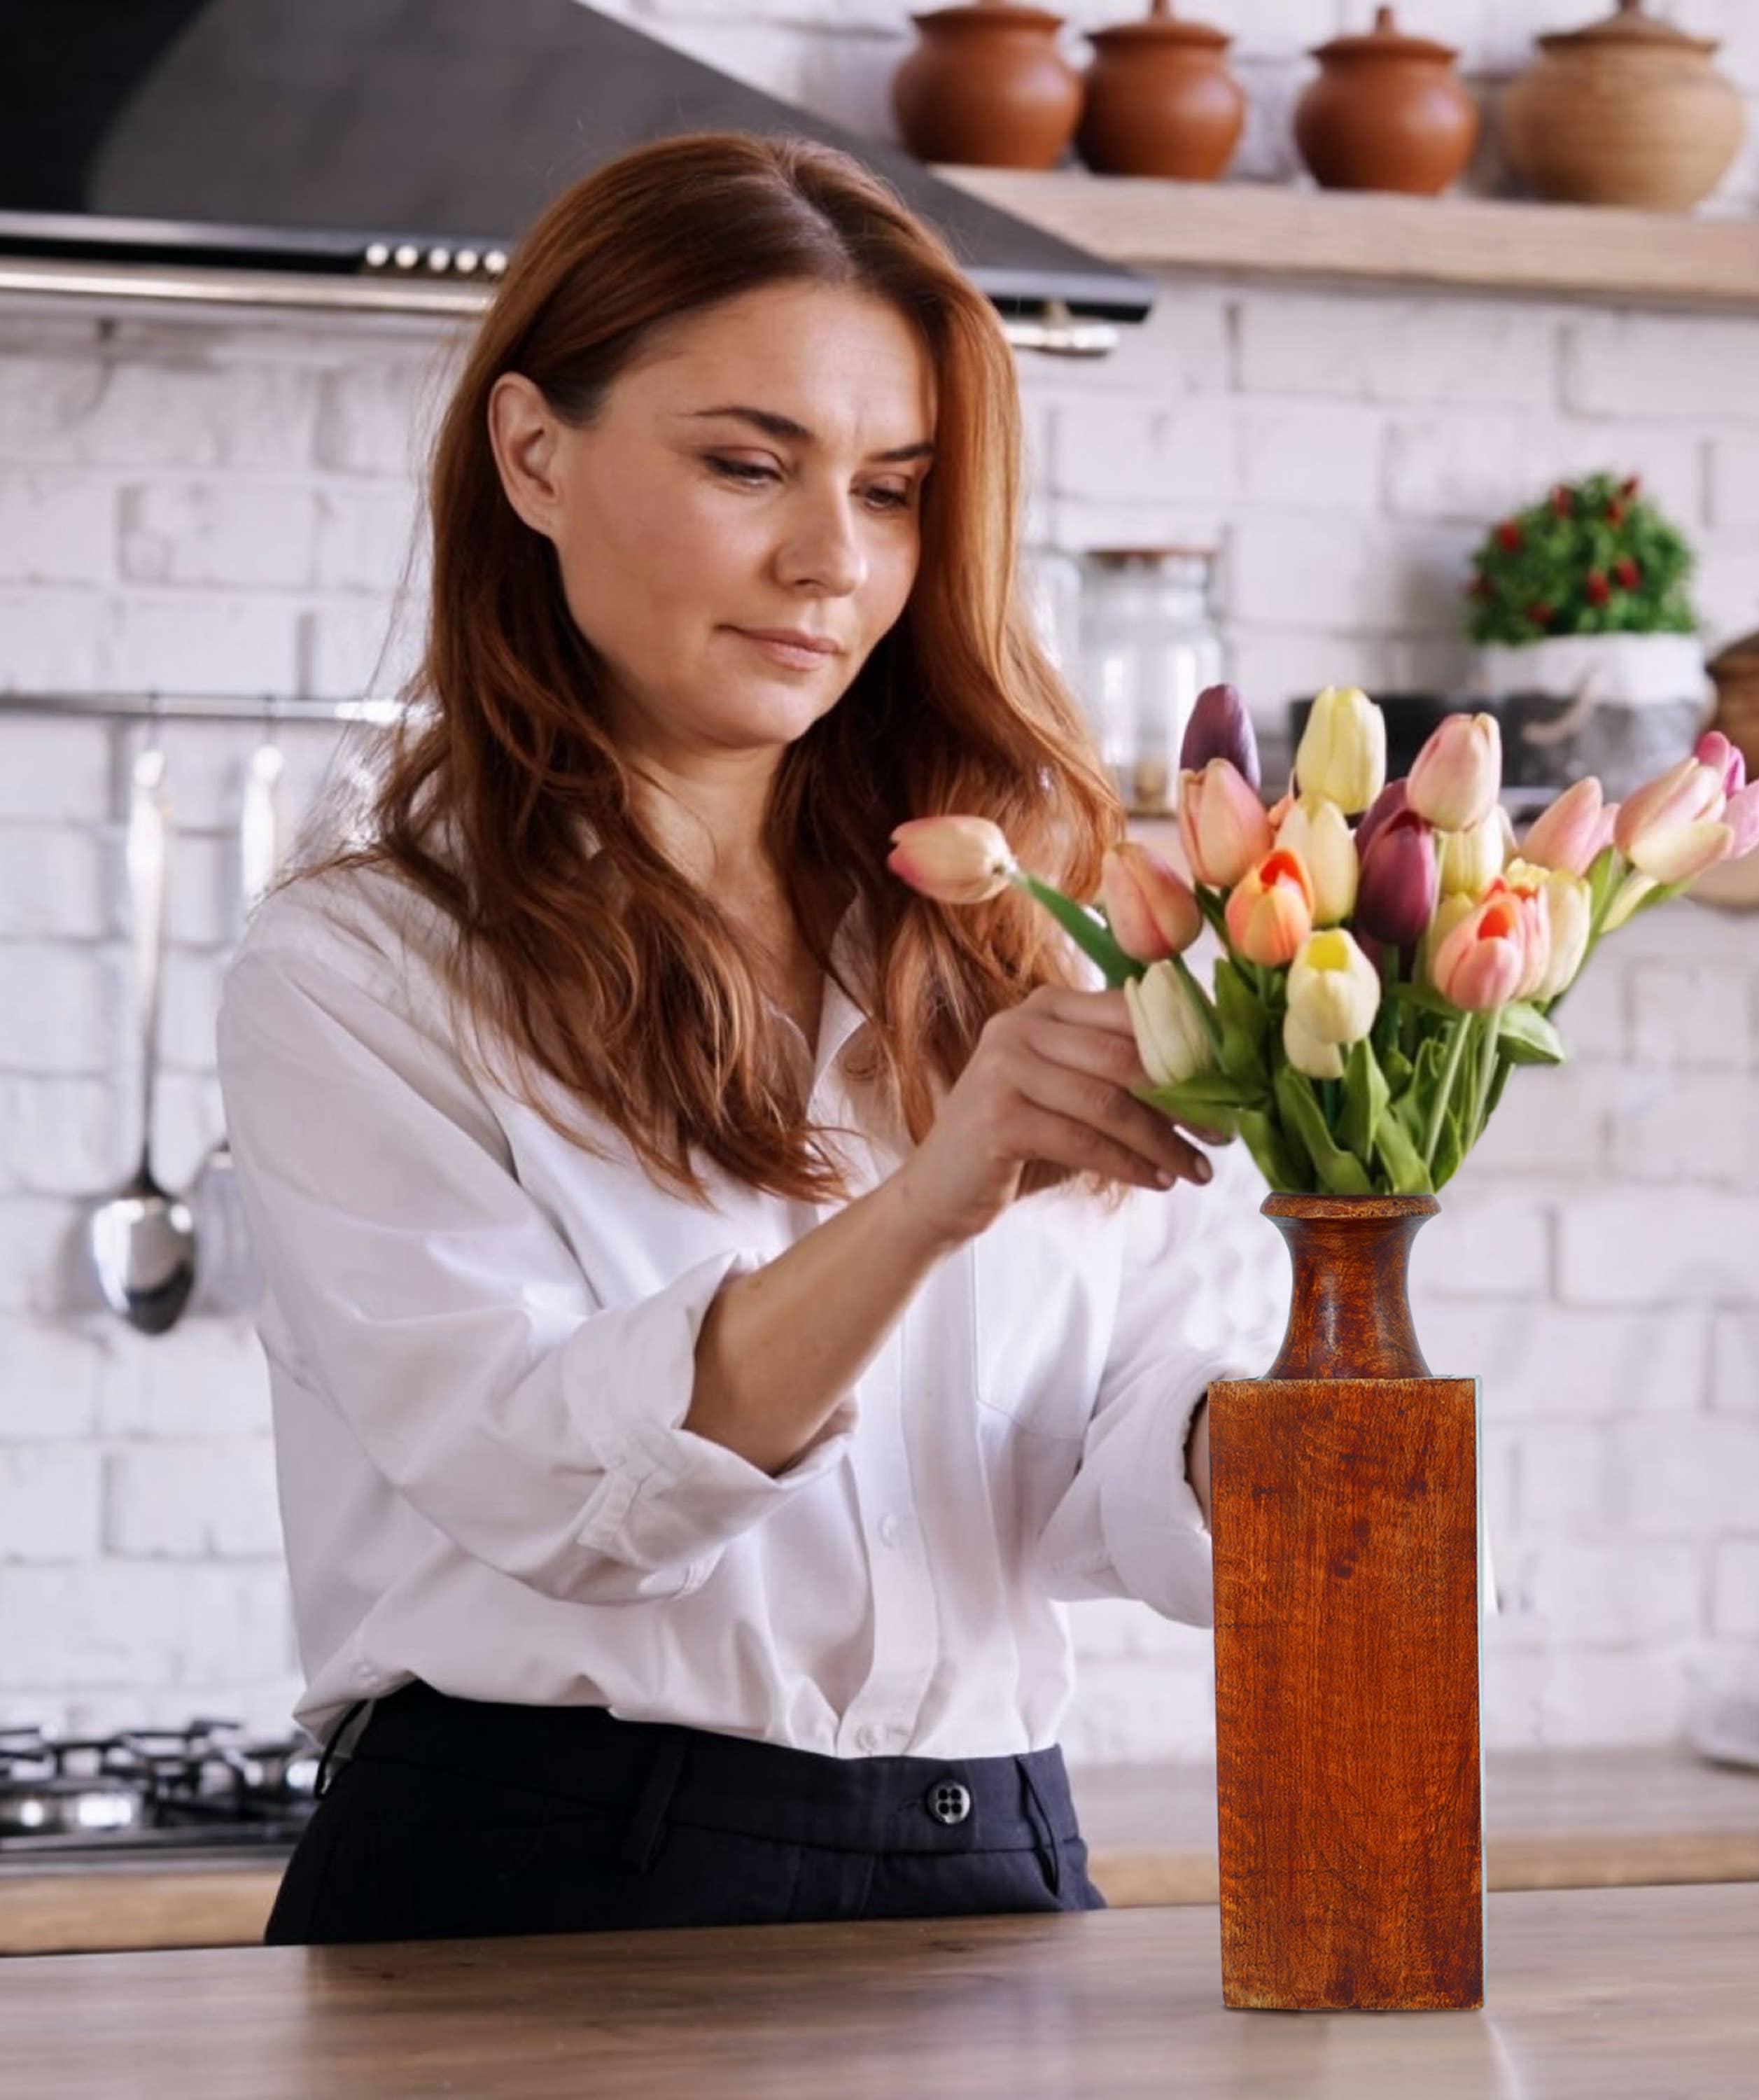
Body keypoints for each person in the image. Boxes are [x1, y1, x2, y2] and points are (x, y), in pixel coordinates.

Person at [219, 132, 1287, 1946]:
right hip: (545, 1885)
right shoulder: (364, 969)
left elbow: (1124, 1444)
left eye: (893, 490)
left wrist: (1290, 1396)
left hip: (994, 1866)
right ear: (534, 455)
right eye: (746, 465)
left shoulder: (1018, 932)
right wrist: (929, 1199)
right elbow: (561, 1491)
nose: (831, 561)